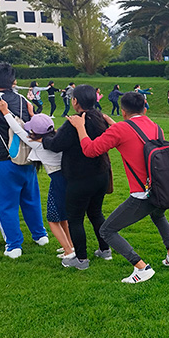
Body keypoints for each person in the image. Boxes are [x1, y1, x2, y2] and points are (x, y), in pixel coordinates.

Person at [71, 91, 169, 283]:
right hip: (161, 188)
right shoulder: (155, 127)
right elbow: (133, 138)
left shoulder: (121, 129)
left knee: (107, 230)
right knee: (158, 214)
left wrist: (80, 127)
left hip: (142, 193)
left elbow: (90, 150)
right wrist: (115, 125)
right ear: (144, 108)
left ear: (123, 111)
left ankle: (141, 267)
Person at [0, 63, 49, 258]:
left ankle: (13, 245)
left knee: (6, 204)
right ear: (13, 81)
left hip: (3, 159)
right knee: (31, 199)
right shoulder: (23, 100)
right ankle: (40, 235)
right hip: (28, 158)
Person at [43, 85, 111, 269]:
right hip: (101, 174)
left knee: (75, 218)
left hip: (80, 178)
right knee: (96, 213)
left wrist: (44, 139)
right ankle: (105, 250)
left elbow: (56, 145)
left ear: (75, 101)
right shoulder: (100, 118)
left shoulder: (74, 122)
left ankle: (81, 259)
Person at [0, 106, 74, 260]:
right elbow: (40, 128)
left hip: (58, 182)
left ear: (36, 132)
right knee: (63, 217)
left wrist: (6, 112)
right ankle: (71, 245)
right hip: (68, 180)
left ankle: (69, 251)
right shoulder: (57, 138)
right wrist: (34, 115)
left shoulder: (38, 143)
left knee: (53, 220)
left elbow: (17, 130)